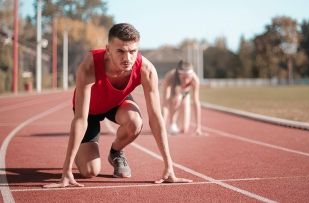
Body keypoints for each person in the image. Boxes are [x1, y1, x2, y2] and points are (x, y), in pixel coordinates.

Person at [44, 23, 192, 188]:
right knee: (89, 172)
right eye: (120, 51)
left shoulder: (146, 70)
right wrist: (66, 171)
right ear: (108, 49)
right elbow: (80, 119)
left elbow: (156, 117)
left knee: (135, 122)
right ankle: (80, 148)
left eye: (132, 51)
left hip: (117, 103)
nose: (127, 58)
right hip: (90, 111)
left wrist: (169, 167)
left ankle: (115, 152)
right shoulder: (89, 66)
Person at [161, 60, 207, 136]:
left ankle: (178, 124)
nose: (186, 81)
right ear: (178, 75)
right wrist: (161, 128)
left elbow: (196, 102)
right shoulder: (170, 76)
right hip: (174, 95)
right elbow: (165, 104)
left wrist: (198, 128)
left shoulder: (195, 79)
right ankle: (172, 124)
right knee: (177, 99)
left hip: (185, 94)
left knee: (184, 129)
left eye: (188, 78)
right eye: (183, 78)